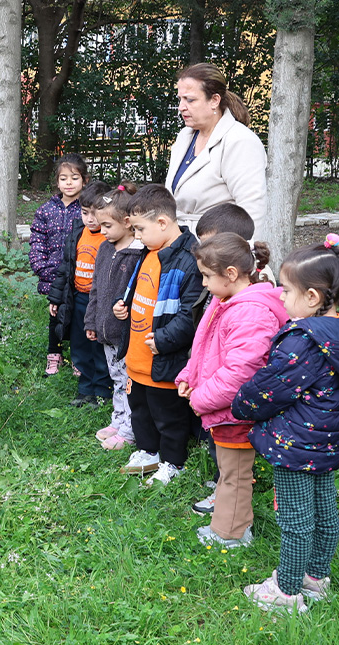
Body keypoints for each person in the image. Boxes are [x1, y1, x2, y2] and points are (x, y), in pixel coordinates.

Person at [233, 234, 339, 613]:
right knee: (324, 512)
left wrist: (240, 405)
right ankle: (315, 579)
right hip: (329, 441)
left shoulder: (304, 340)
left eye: (286, 291)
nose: (281, 297)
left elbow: (271, 388)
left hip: (295, 444)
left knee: (296, 520)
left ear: (313, 297)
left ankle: (286, 593)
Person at [175, 233, 286, 549]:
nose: (204, 283)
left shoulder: (250, 312)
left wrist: (200, 398)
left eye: (207, 276)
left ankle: (232, 534)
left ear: (232, 274)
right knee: (228, 471)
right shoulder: (225, 301)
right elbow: (204, 348)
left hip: (236, 412)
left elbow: (240, 373)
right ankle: (229, 524)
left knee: (235, 474)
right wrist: (189, 376)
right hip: (224, 407)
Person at [113, 185, 201, 485]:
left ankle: (173, 462)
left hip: (163, 359)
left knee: (168, 417)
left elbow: (190, 314)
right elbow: (141, 289)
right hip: (137, 357)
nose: (136, 236)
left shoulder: (189, 259)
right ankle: (148, 451)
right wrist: (124, 304)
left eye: (140, 229)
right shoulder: (150, 250)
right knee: (140, 409)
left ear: (162, 222)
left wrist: (164, 339)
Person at [166, 63, 267, 233]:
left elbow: (252, 211)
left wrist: (239, 249)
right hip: (180, 241)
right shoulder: (184, 136)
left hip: (217, 244)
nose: (181, 107)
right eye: (180, 99)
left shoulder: (240, 141)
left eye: (190, 100)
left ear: (214, 100)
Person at [84, 182, 143, 451]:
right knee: (117, 378)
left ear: (127, 222)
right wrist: (91, 321)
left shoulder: (139, 254)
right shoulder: (105, 249)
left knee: (129, 381)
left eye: (107, 225)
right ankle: (119, 420)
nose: (102, 230)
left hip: (127, 334)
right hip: (106, 331)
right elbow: (95, 288)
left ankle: (130, 429)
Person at [46, 180, 113, 406]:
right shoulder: (77, 232)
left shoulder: (110, 237)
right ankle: (85, 389)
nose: (90, 219)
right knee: (80, 344)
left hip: (101, 302)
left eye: (96, 214)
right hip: (78, 299)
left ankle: (102, 392)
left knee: (99, 347)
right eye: (85, 213)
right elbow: (66, 267)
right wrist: (56, 297)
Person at [29, 153, 88, 375]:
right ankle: (54, 354)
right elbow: (37, 240)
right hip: (54, 275)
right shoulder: (46, 210)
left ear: (84, 180)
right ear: (57, 181)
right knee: (55, 314)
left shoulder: (87, 209)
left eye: (74, 178)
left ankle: (78, 357)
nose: (69, 183)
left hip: (80, 274)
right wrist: (41, 267)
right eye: (64, 178)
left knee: (77, 315)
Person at [195, 203, 275, 285]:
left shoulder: (258, 275)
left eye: (209, 245)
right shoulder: (214, 269)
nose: (203, 250)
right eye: (202, 244)